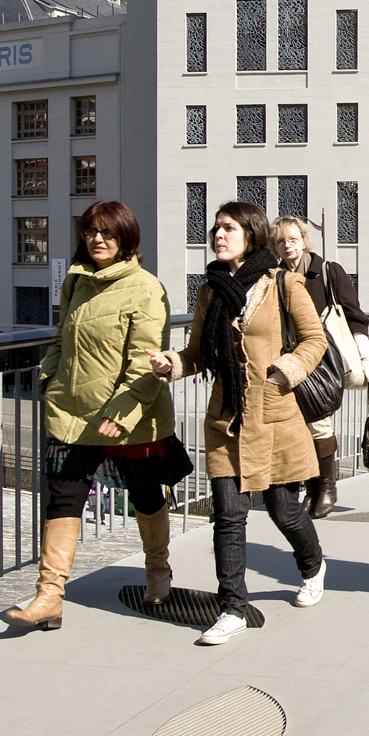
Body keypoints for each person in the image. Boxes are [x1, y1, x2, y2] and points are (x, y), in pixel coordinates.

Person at [149, 200, 329, 646]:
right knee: (228, 515)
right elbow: (197, 353)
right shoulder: (210, 290)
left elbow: (314, 339)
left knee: (284, 510)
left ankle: (313, 566)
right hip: (226, 416)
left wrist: (284, 371)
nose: (218, 235)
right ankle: (232, 607)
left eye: (228, 228)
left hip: (274, 414)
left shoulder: (283, 283)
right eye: (216, 228)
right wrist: (171, 364)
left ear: (250, 234)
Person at [4, 202, 179, 632]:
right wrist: (49, 378)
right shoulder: (76, 281)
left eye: (108, 233)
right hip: (72, 412)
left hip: (128, 415)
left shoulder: (145, 288)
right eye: (90, 232)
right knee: (63, 497)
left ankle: (158, 572)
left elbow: (146, 361)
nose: (97, 240)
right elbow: (61, 339)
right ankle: (49, 595)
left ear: (126, 239)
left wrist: (123, 410)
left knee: (144, 494)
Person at [275, 216, 368, 517]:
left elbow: (355, 315)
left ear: (304, 241)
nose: (287, 246)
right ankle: (312, 488)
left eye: (293, 239)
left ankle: (327, 486)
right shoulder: (274, 277)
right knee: (299, 427)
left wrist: (365, 354)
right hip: (288, 360)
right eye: (280, 241)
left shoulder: (327, 271)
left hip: (322, 359)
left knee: (318, 423)